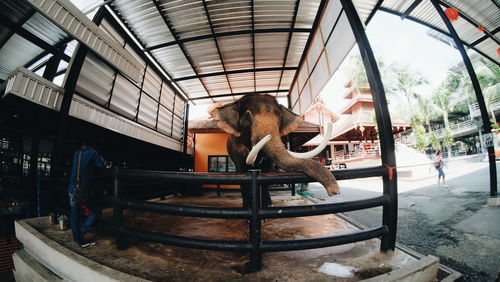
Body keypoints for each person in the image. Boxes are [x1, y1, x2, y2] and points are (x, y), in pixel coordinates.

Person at [68, 139, 106, 248]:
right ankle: (83, 230)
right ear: (93, 145)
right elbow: (102, 165)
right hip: (83, 190)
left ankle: (77, 239)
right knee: (96, 211)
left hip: (72, 189)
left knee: (74, 214)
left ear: (82, 143)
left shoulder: (77, 153)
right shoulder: (93, 153)